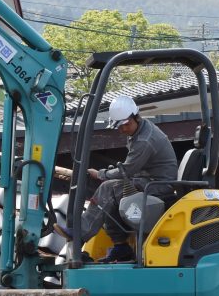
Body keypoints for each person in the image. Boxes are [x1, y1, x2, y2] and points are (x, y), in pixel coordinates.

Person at [55, 95, 178, 262]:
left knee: (109, 188)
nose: (123, 130)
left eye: (126, 125)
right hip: (149, 180)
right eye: (121, 126)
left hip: (157, 186)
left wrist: (100, 174)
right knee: (113, 198)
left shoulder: (144, 140)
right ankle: (121, 247)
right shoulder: (140, 131)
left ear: (136, 117)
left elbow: (127, 170)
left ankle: (80, 233)